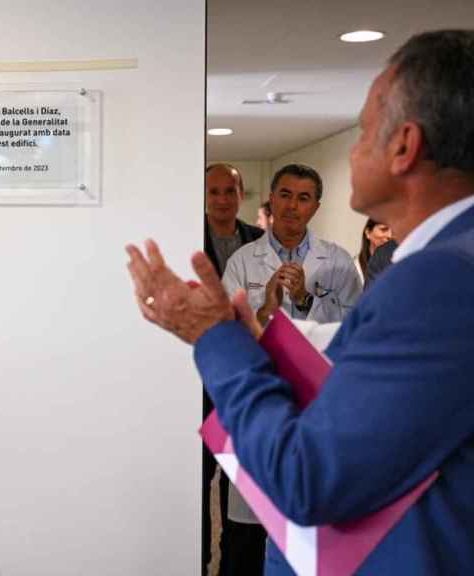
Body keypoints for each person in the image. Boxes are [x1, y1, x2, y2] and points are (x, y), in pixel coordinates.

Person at [126, 29, 474, 573]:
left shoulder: (441, 279)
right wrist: (255, 335)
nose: (355, 149)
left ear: (404, 146)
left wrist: (214, 337)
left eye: (362, 131)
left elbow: (308, 479)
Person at [202, 163, 265, 576]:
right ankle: (199, 561)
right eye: (214, 192)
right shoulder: (185, 236)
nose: (222, 200)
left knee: (241, 485)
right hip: (200, 379)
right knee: (198, 479)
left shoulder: (259, 241)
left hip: (244, 376)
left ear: (241, 194)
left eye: (230, 191)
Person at [223, 164, 362, 325]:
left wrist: (305, 299)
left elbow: (355, 325)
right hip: (261, 351)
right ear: (272, 199)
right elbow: (226, 329)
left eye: (303, 198)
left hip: (317, 351)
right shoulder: (241, 261)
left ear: (315, 208)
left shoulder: (339, 260)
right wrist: (265, 311)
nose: (292, 205)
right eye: (285, 195)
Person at [356, 218, 392, 283]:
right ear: (368, 233)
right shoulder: (355, 267)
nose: (389, 235)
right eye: (383, 229)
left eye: (393, 231)